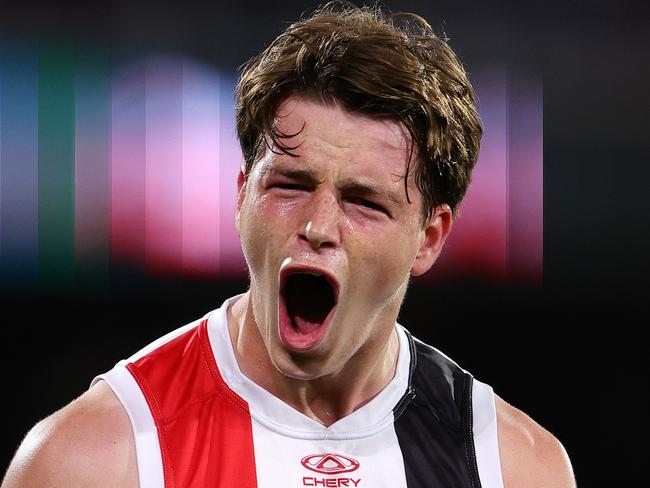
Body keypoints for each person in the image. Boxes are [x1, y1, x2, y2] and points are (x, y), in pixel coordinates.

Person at [2, 3, 575, 488]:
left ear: (429, 239)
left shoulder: (515, 467)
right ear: (241, 195)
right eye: (290, 185)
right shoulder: (95, 459)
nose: (318, 225)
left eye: (364, 202)